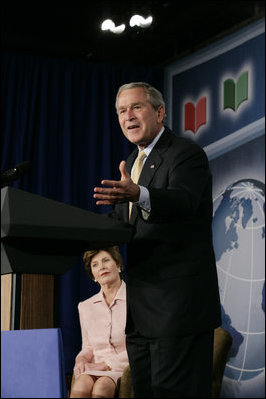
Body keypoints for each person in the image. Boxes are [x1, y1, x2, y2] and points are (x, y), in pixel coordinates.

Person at [93, 82, 221, 398]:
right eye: (122, 111)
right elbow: (124, 225)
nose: (128, 117)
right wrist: (76, 230)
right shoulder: (134, 163)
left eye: (137, 107)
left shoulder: (185, 153)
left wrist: (139, 194)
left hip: (177, 311)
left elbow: (182, 201)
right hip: (142, 316)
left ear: (159, 112)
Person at [70, 246, 129, 398]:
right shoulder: (85, 307)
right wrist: (81, 359)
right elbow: (88, 347)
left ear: (119, 265)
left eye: (106, 260)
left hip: (123, 366)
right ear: (93, 276)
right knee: (81, 383)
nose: (101, 266)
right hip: (94, 368)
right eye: (95, 264)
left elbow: (139, 344)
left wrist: (105, 365)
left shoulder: (135, 299)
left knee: (102, 386)